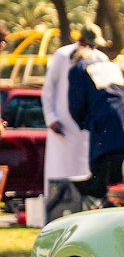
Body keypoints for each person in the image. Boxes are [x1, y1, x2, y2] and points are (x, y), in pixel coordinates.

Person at [40, 24, 109, 222]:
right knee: (59, 175)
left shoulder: (100, 59)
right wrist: (51, 118)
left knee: (85, 173)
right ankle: (54, 217)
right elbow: (48, 91)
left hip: (86, 130)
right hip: (61, 128)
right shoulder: (62, 56)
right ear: (80, 41)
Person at [68, 45, 124, 204]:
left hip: (105, 120)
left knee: (101, 170)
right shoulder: (110, 67)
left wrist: (84, 122)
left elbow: (76, 102)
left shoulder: (78, 68)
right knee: (122, 167)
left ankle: (104, 200)